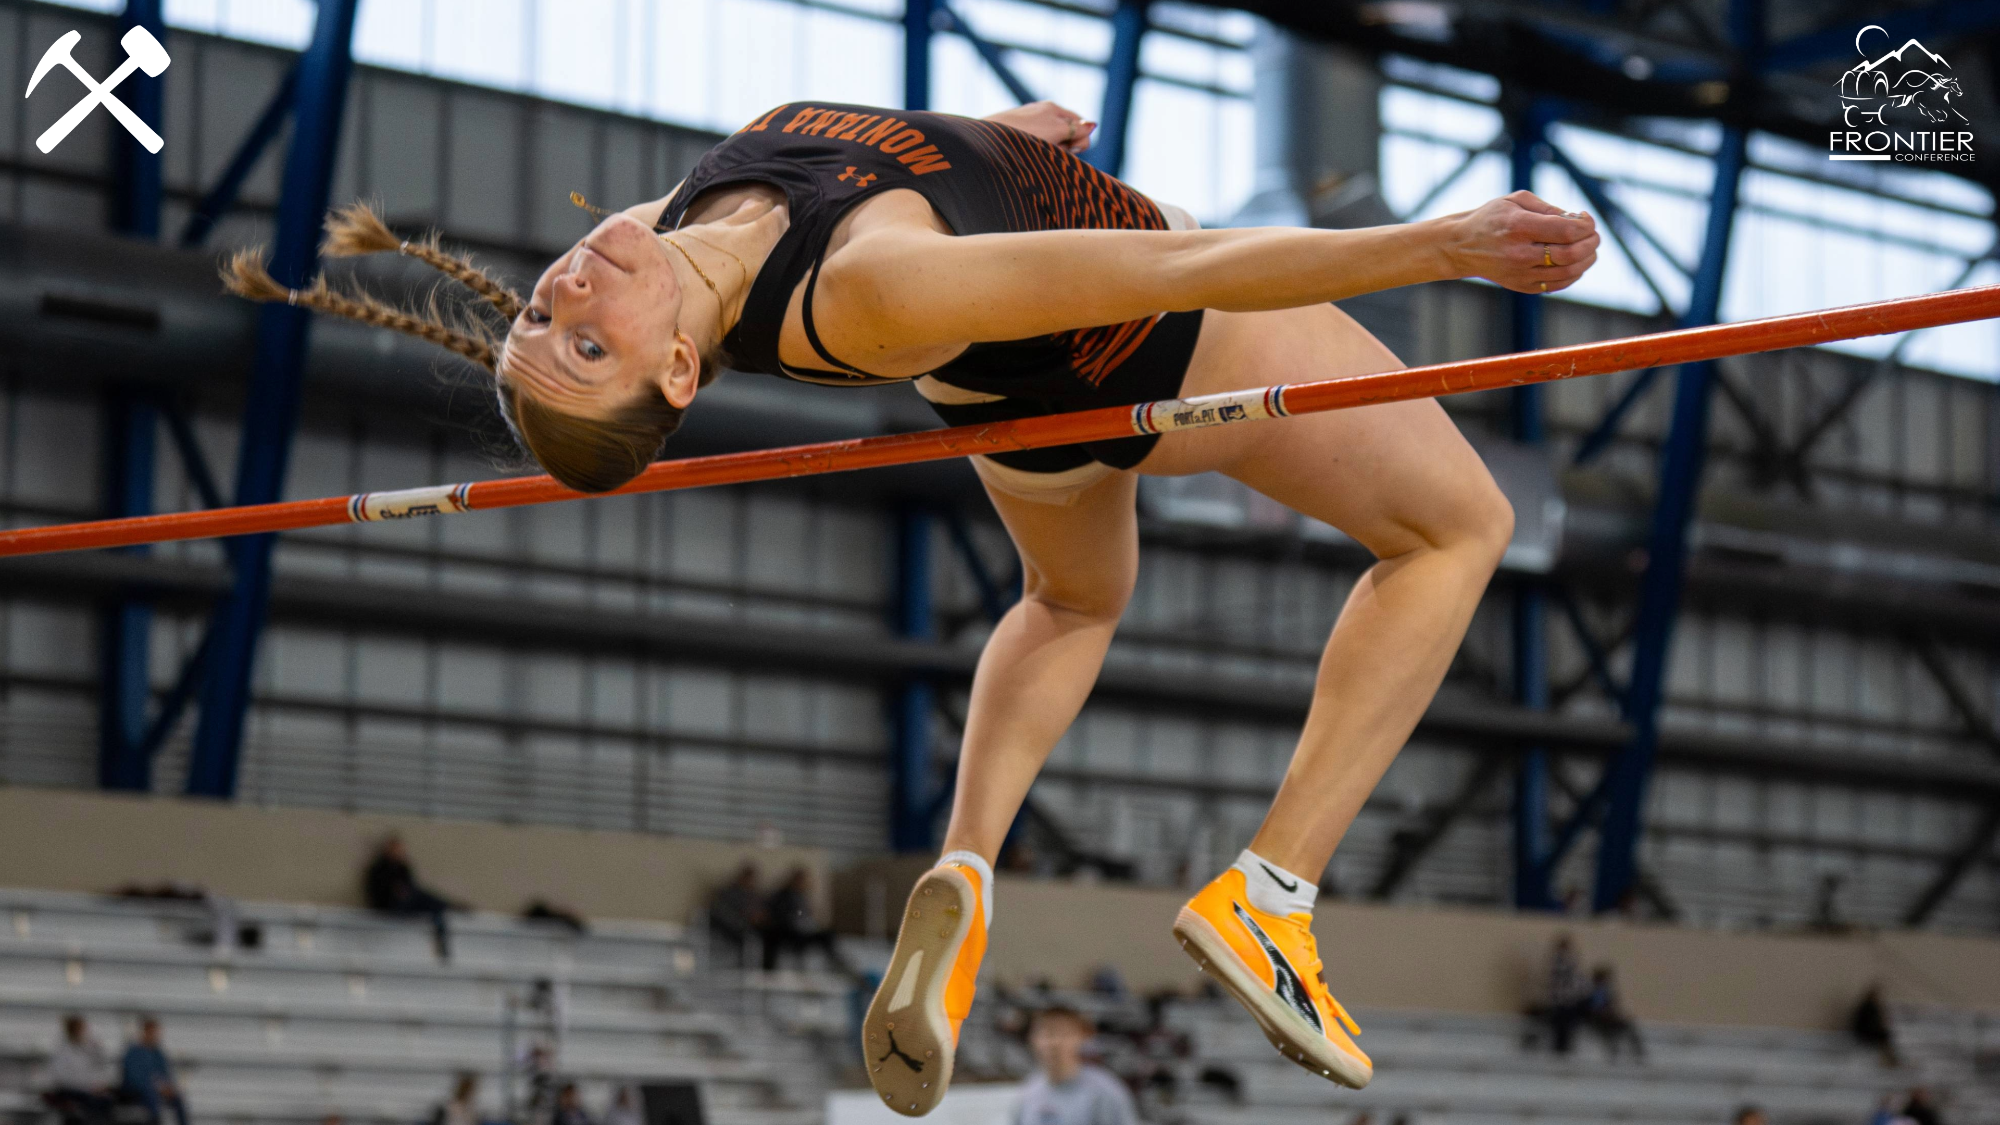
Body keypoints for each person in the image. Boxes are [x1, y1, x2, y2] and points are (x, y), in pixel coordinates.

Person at [219, 96, 1598, 1116]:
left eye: (544, 326)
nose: (566, 299)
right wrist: (1441, 245)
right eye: (592, 348)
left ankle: (970, 865)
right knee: (1455, 526)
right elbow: (1180, 272)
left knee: (1069, 598)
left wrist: (1012, 139)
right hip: (1164, 343)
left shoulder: (674, 222)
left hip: (1011, 408)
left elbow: (893, 160)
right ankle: (1274, 889)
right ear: (685, 376)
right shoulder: (867, 291)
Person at [1014, 1007, 1137, 1125]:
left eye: (1062, 1034)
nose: (1053, 1043)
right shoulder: (1029, 1091)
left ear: (1081, 1038)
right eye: (1046, 1034)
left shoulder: (1104, 1092)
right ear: (1032, 1039)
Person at [363, 834, 454, 961]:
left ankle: (442, 938)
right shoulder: (378, 869)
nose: (398, 853)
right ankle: (448, 904)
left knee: (432, 903)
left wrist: (404, 892)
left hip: (407, 902)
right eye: (395, 849)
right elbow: (376, 893)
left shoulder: (403, 868)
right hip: (389, 906)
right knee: (421, 895)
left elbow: (410, 887)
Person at [760, 866, 843, 972]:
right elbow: (784, 916)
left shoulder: (801, 896)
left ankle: (835, 962)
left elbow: (806, 916)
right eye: (801, 880)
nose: (804, 883)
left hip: (803, 931)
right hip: (788, 932)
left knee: (827, 934)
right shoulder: (782, 896)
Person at [45, 1015, 114, 1125]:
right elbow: (63, 1077)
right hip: (70, 1091)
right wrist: (90, 1087)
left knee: (106, 1101)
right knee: (94, 1105)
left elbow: (99, 1068)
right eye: (81, 1029)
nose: (84, 1032)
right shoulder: (62, 1050)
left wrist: (99, 1085)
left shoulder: (87, 1048)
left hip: (85, 1090)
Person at [119, 1017, 189, 1125]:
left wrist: (167, 1087)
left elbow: (165, 1074)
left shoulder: (158, 1053)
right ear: (145, 1032)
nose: (155, 1036)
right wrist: (156, 1087)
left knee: (177, 1098)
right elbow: (134, 1077)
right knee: (151, 1096)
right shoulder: (133, 1052)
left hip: (155, 1089)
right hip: (137, 1090)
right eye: (152, 1032)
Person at [1582, 966, 1645, 1061]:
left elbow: (1611, 1006)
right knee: (1613, 1030)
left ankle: (1637, 1052)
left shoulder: (1604, 991)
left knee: (1627, 1026)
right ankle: (1616, 1052)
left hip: (1607, 1018)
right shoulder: (1594, 991)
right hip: (1599, 1019)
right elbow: (1595, 1008)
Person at [708, 863, 765, 966]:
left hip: (749, 926)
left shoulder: (753, 895)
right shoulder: (729, 893)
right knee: (742, 938)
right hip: (730, 926)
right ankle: (741, 965)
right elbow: (722, 912)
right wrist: (742, 919)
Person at [1852, 984, 1899, 1066]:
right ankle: (1890, 1060)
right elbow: (1868, 1023)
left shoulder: (1868, 1006)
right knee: (1884, 1036)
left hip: (1865, 1031)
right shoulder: (1869, 1007)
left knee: (1884, 1035)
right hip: (1864, 1032)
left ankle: (1890, 1060)